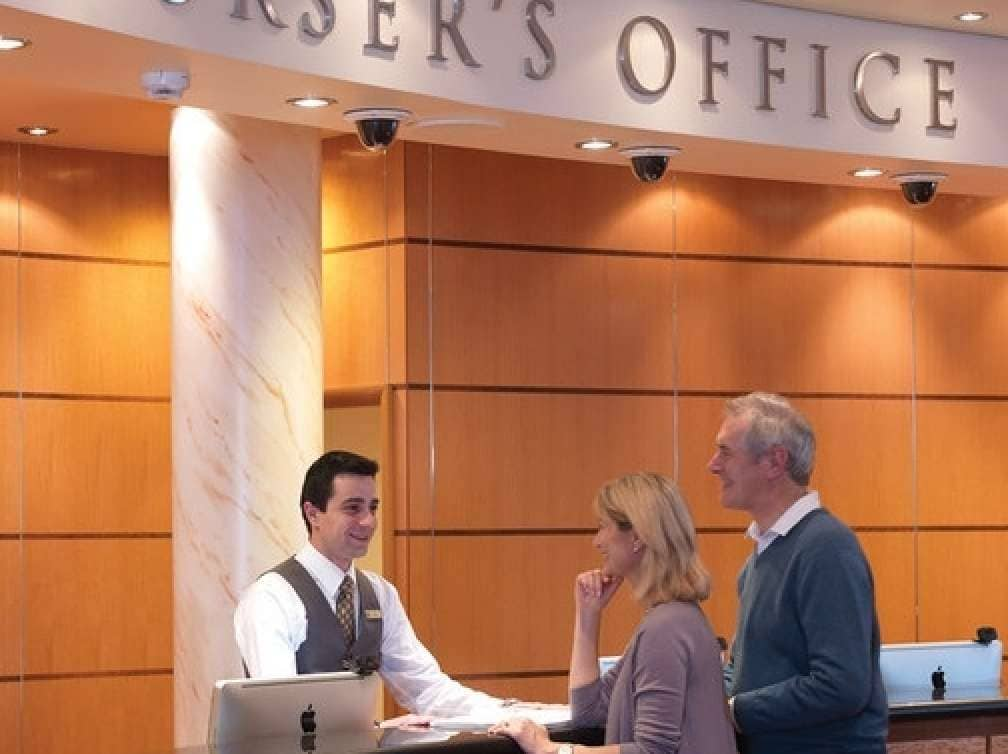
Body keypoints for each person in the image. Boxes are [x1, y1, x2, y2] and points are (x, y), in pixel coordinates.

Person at [234, 450, 500, 716]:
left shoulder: (380, 594)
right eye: (353, 508)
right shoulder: (271, 598)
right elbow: (279, 710)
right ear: (313, 513)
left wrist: (515, 713)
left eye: (373, 507)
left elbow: (427, 690)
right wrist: (379, 730)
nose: (368, 522)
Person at [492, 472, 737, 754]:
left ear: (636, 537)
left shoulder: (667, 627)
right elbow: (588, 711)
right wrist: (588, 617)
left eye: (602, 527)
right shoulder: (672, 619)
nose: (597, 541)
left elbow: (651, 750)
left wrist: (553, 750)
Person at [709, 392, 887, 754]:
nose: (713, 465)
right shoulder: (758, 558)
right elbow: (743, 671)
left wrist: (735, 711)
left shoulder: (827, 548)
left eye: (726, 452)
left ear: (775, 462)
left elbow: (841, 685)